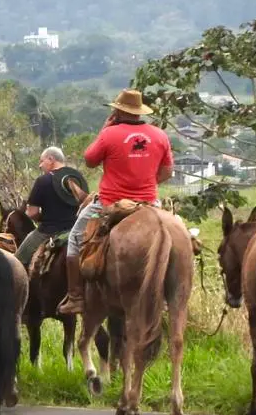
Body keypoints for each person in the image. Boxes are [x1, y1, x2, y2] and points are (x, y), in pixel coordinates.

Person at [59, 89, 173, 316]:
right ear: (139, 111)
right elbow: (167, 172)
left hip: (110, 204)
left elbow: (90, 161)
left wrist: (104, 129)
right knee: (177, 233)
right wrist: (146, 183)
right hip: (149, 204)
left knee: (74, 239)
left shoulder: (109, 134)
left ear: (119, 111)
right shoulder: (160, 135)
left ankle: (76, 297)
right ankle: (171, 295)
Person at [15, 147, 88, 268]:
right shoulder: (78, 178)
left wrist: (41, 218)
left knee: (17, 262)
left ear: (51, 159)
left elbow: (32, 213)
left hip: (49, 231)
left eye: (41, 161)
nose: (40, 165)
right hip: (76, 230)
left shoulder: (43, 180)